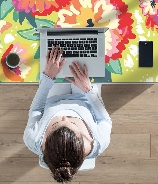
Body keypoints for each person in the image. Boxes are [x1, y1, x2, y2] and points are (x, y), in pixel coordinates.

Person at [24, 45, 112, 182]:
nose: (64, 116)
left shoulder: (33, 140)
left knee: (53, 58)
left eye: (56, 124)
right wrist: (88, 89)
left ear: (45, 142)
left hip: (54, 98)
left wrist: (48, 77)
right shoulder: (99, 142)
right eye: (72, 123)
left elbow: (36, 110)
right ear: (84, 140)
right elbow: (104, 120)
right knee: (91, 52)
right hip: (85, 98)